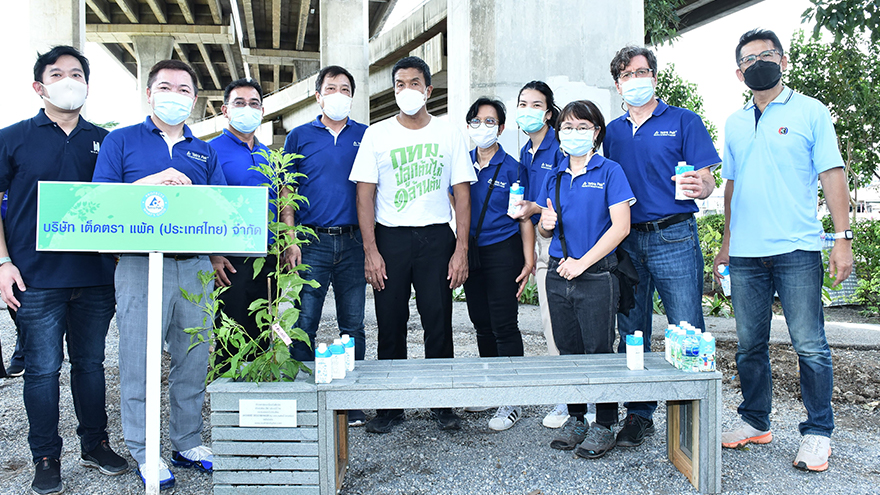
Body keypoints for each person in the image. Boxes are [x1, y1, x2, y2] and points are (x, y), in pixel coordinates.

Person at [714, 29, 851, 473]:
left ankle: (817, 432)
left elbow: (832, 173)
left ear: (784, 60)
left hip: (797, 247)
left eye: (767, 55)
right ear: (739, 72)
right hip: (746, 255)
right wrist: (726, 244)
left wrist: (842, 237)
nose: (759, 63)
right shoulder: (734, 122)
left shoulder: (811, 111)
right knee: (749, 345)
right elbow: (731, 186)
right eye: (750, 59)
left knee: (810, 345)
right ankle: (754, 420)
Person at [93, 59, 227, 490]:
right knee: (139, 359)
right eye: (166, 87)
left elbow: (221, 207)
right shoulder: (120, 141)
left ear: (194, 98)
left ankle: (186, 440)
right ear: (149, 93)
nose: (175, 95)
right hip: (138, 263)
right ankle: (143, 448)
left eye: (184, 89)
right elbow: (101, 202)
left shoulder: (203, 150)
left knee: (193, 357)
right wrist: (150, 182)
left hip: (193, 265)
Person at [0, 45, 128, 495]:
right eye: (58, 74)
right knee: (40, 370)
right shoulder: (11, 137)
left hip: (95, 276)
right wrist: (2, 262)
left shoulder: (107, 140)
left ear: (87, 85)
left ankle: (95, 445)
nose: (68, 80)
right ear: (40, 86)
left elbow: (119, 203)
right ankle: (46, 457)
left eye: (77, 73)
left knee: (91, 365)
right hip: (35, 278)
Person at [349, 56, 476, 433]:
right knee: (390, 322)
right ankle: (390, 407)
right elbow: (364, 196)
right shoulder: (377, 134)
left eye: (415, 83)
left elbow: (462, 195)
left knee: (438, 321)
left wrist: (461, 250)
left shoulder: (449, 132)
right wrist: (371, 251)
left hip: (437, 237)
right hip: (391, 238)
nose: (408, 90)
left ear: (428, 90)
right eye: (400, 84)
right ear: (394, 90)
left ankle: (442, 403)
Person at [603, 45, 721, 448]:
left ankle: (690, 416)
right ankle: (638, 414)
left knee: (686, 327)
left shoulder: (684, 121)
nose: (634, 79)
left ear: (654, 76)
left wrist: (702, 186)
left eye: (641, 72)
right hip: (628, 241)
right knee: (631, 329)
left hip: (674, 235)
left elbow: (706, 180)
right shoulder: (612, 132)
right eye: (626, 74)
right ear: (617, 84)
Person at [539, 100, 634, 460]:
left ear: (596, 132)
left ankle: (606, 422)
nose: (574, 134)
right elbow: (546, 226)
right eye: (567, 127)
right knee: (568, 352)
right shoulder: (556, 174)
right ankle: (577, 417)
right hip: (558, 275)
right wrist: (545, 225)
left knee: (599, 351)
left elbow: (620, 227)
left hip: (595, 275)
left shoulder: (610, 171)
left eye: (583, 127)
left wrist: (582, 264)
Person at [283, 66, 369, 426]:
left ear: (352, 95)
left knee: (354, 324)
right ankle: (305, 397)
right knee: (304, 322)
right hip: (311, 241)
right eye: (330, 88)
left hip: (353, 241)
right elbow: (286, 189)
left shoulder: (366, 135)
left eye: (344, 88)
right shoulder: (299, 136)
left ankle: (351, 399)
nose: (337, 94)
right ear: (317, 95)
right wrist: (289, 237)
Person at [455, 97, 534, 431]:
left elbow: (524, 217)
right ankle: (492, 386)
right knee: (481, 322)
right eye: (476, 120)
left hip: (503, 250)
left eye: (489, 121)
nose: (481, 127)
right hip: (471, 250)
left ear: (501, 128)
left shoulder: (514, 167)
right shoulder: (462, 163)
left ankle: (512, 397)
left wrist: (529, 260)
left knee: (504, 322)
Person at [208, 78, 290, 374]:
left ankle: (260, 400)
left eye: (254, 104)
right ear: (225, 110)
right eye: (239, 103)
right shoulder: (210, 151)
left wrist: (287, 241)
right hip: (230, 260)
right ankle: (228, 406)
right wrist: (214, 255)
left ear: (262, 110)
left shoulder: (268, 154)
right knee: (229, 335)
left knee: (263, 329)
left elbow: (283, 200)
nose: (247, 109)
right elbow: (205, 203)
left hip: (267, 257)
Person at [508, 81, 570, 429]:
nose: (528, 111)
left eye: (536, 105)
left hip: (573, 246)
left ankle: (589, 402)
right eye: (522, 104)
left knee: (583, 327)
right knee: (552, 325)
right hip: (546, 246)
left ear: (548, 113)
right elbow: (526, 210)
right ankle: (566, 399)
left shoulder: (560, 147)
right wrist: (530, 256)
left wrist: (536, 209)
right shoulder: (525, 154)